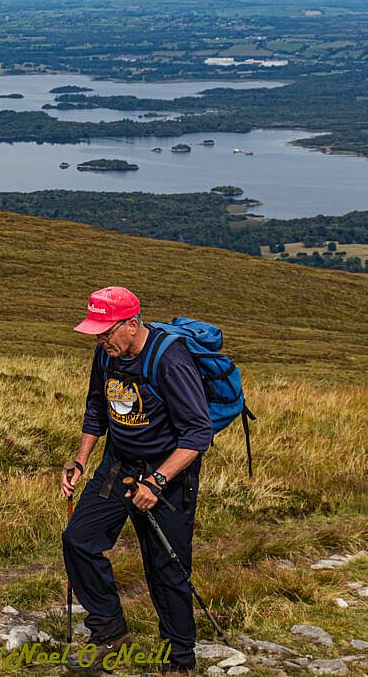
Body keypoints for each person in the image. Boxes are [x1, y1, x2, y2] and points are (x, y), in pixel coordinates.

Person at [61, 287, 213, 676]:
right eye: (96, 332)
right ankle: (111, 636)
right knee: (79, 540)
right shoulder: (106, 354)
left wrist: (157, 480)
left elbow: (198, 434)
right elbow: (97, 406)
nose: (100, 339)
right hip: (117, 464)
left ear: (131, 324)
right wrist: (80, 460)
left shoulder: (170, 360)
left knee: (167, 567)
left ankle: (179, 661)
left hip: (167, 474)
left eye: (106, 331)